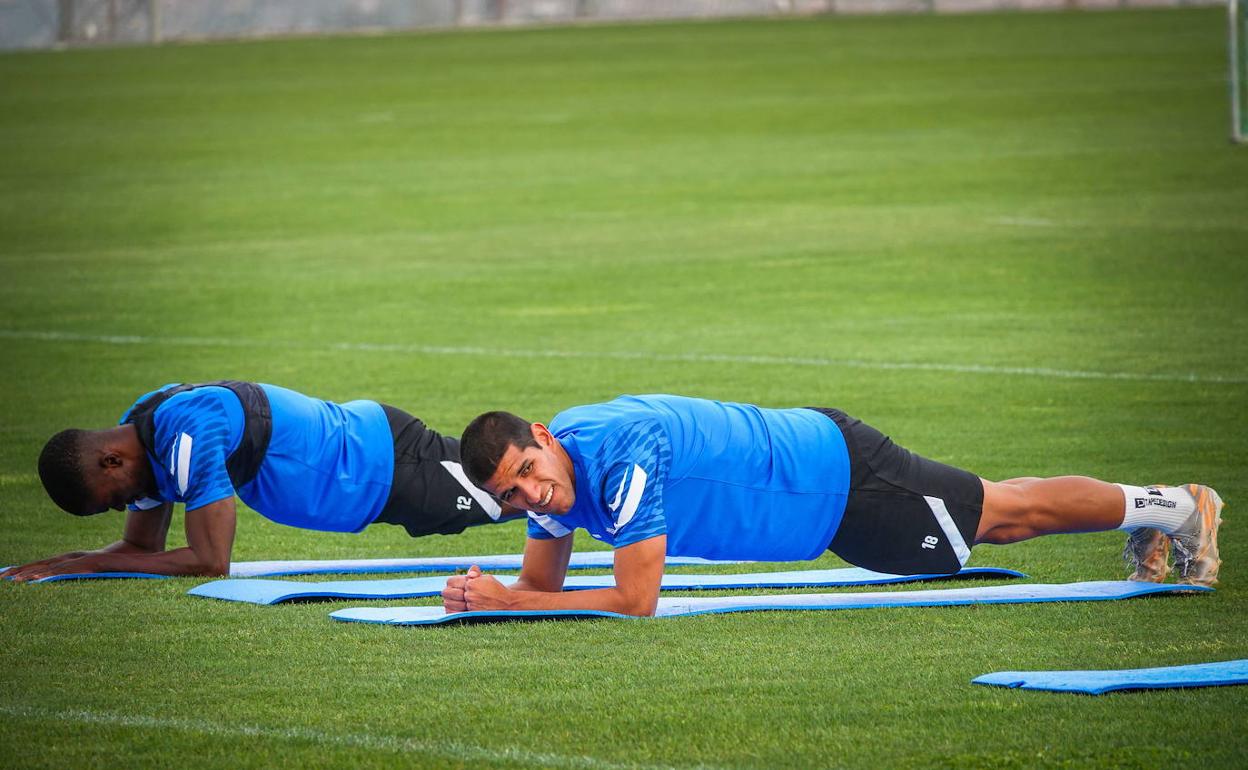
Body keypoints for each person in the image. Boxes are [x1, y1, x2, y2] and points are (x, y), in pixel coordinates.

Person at [441, 394, 1223, 616]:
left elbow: (637, 598)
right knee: (994, 520)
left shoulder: (621, 456)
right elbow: (538, 587)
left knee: (1003, 515)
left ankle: (1180, 508)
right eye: (512, 493)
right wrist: (488, 595)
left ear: (544, 436)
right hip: (821, 515)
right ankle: (1155, 515)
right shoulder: (546, 492)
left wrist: (510, 600)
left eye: (532, 470)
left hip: (834, 476)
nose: (535, 494)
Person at [3, 380, 521, 582]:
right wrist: (69, 564)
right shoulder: (142, 428)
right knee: (523, 491)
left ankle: (597, 482)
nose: (126, 507)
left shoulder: (188, 429)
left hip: (383, 463)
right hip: (369, 481)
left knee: (523, 491)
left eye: (114, 500)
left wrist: (93, 563)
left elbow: (210, 561)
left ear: (110, 462)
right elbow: (142, 545)